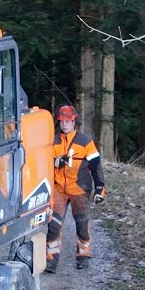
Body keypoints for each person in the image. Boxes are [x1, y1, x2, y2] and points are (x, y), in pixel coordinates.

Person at [46, 104, 105, 272]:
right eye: (61, 121)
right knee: (53, 225)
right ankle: (51, 259)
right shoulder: (53, 141)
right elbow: (44, 164)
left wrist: (100, 188)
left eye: (67, 121)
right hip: (58, 189)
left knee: (81, 223)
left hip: (79, 188)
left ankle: (83, 256)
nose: (64, 125)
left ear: (74, 121)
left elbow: (96, 166)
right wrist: (55, 163)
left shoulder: (85, 141)